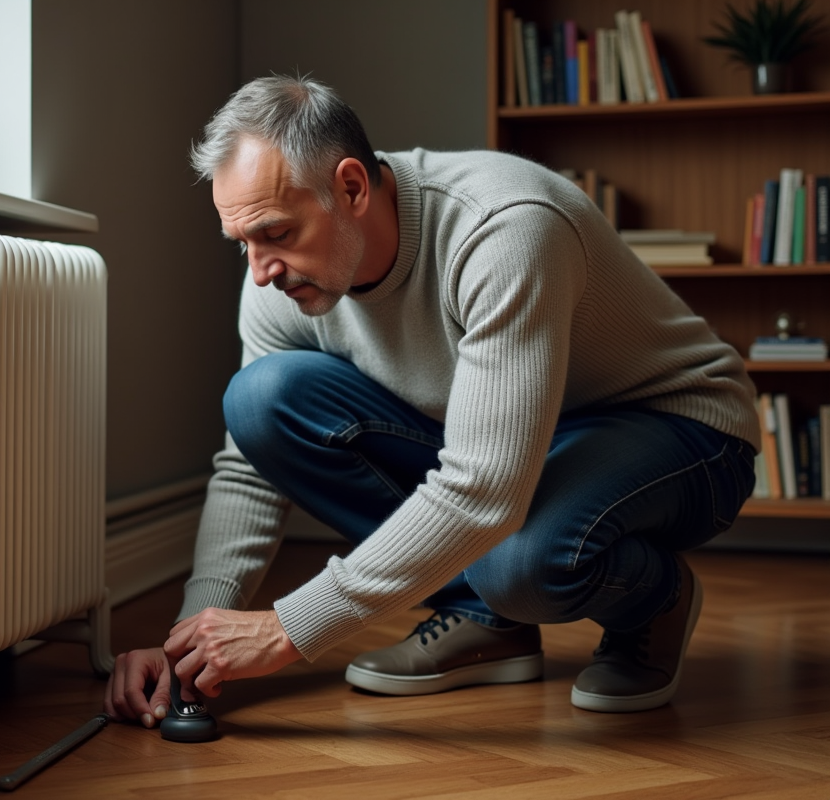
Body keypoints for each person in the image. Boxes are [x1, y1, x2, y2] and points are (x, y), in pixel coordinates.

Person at [103, 75, 759, 728]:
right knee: (259, 402)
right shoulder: (279, 283)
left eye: (274, 232)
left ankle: (654, 600)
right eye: (242, 243)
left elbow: (485, 491)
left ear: (351, 188)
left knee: (519, 561)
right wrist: (189, 642)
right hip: (514, 449)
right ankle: (489, 619)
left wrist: (286, 630)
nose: (260, 270)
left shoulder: (503, 229)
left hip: (678, 428)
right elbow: (249, 465)